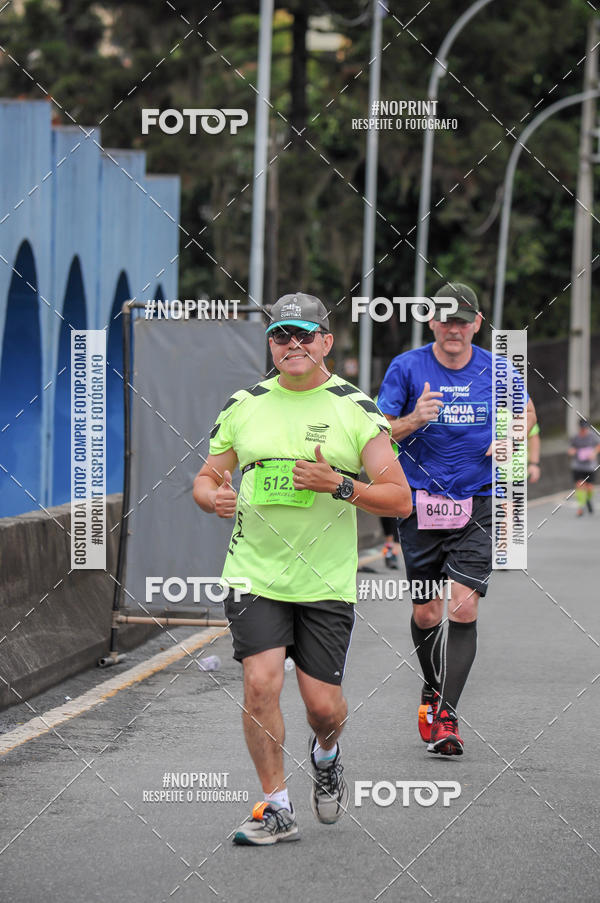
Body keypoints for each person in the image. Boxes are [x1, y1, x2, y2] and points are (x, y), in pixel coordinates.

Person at [193, 292, 411, 844]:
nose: (293, 344)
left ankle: (327, 754)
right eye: (281, 335)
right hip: (254, 572)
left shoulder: (355, 408)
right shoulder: (244, 404)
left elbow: (399, 499)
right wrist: (212, 497)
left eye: (304, 335)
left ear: (326, 342)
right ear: (270, 344)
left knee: (322, 707)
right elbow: (207, 477)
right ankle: (276, 805)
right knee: (260, 682)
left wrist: (338, 483)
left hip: (324, 578)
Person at [377, 282, 537, 756]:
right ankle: (431, 686)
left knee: (463, 607)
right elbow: (377, 430)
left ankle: (446, 714)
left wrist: (509, 435)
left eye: (462, 320)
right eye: (446, 320)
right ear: (431, 322)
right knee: (426, 611)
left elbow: (524, 412)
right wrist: (415, 419)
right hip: (420, 503)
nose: (454, 328)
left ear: (477, 324)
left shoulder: (499, 369)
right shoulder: (406, 368)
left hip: (479, 501)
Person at [568, 418, 600, 516]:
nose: (583, 430)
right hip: (578, 465)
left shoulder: (593, 436)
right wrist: (572, 451)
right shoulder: (575, 437)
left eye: (585, 428)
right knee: (579, 485)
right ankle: (581, 507)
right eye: (582, 428)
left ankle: (588, 499)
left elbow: (598, 445)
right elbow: (571, 448)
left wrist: (594, 453)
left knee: (590, 487)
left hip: (590, 466)